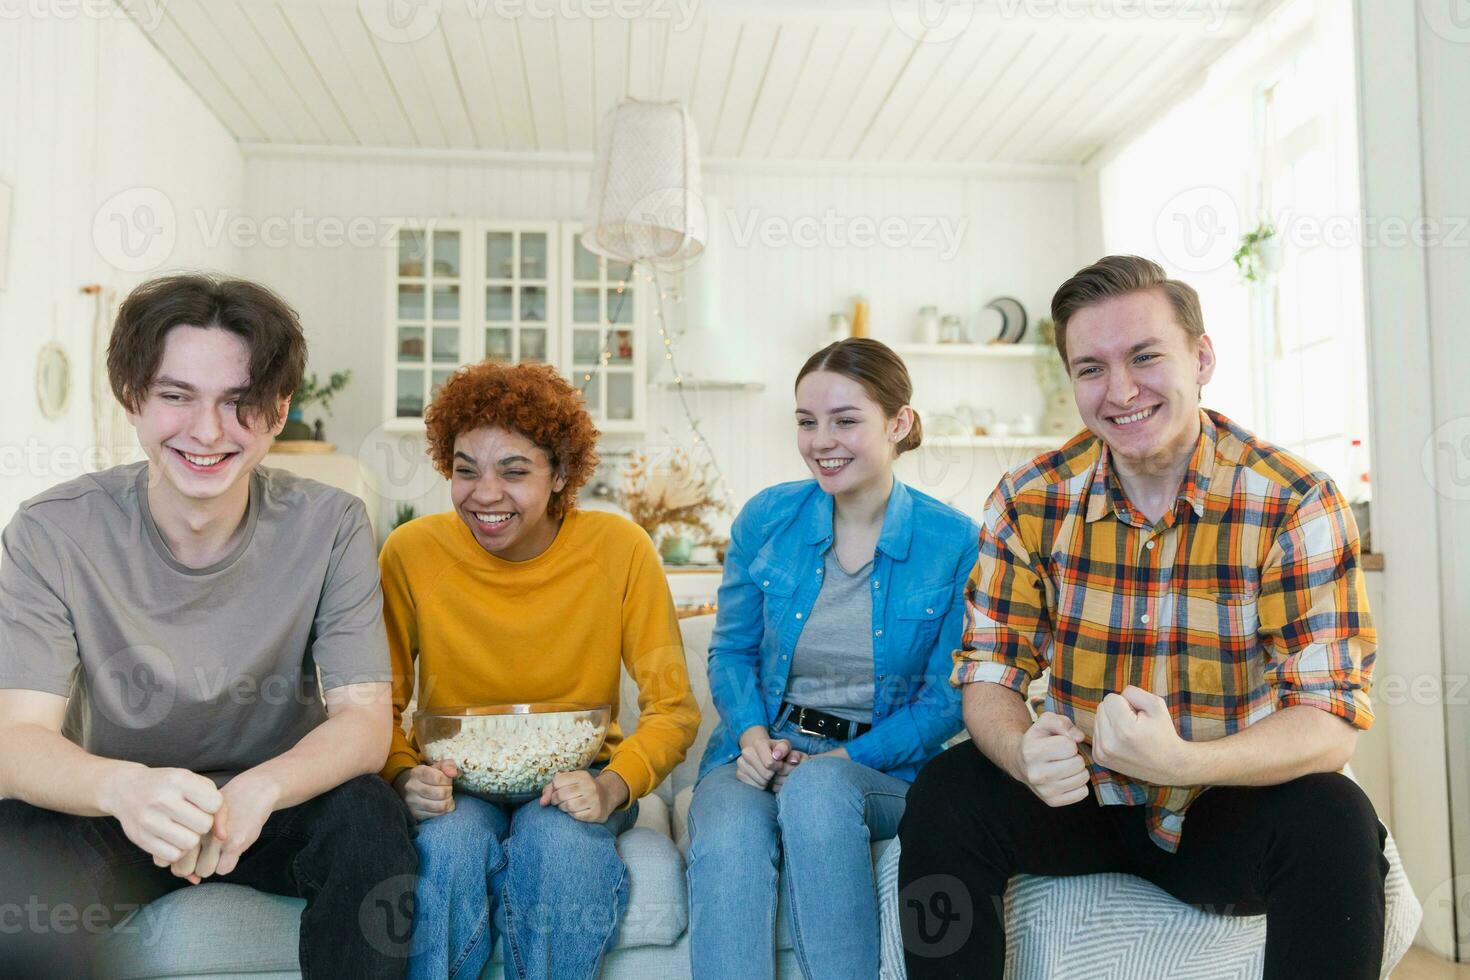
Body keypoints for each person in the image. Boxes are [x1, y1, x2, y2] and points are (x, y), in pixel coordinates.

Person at [898, 255, 1386, 979]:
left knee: (1337, 819)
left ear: (1202, 357)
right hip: (1078, 798)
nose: (1120, 391)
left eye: (1145, 356)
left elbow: (1329, 716)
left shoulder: (1294, 500)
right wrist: (1023, 751)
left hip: (1224, 802)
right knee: (948, 792)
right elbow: (989, 673)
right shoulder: (1030, 499)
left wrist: (1187, 762)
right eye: (1091, 368)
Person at [0, 274, 416, 978]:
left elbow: (365, 723)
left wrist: (262, 789)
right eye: (176, 395)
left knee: (368, 820)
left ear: (279, 411)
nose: (207, 431)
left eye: (239, 401)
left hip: (274, 806)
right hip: (120, 807)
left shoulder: (332, 523)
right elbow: (17, 739)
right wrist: (124, 789)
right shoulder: (51, 531)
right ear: (133, 398)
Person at [381, 361, 699, 980]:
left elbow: (674, 710)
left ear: (560, 475)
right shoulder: (411, 553)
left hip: (580, 780)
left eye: (515, 471)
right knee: (446, 848)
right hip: (456, 785)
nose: (485, 494)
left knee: (557, 846)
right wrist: (401, 776)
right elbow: (378, 705)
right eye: (465, 470)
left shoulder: (619, 549)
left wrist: (612, 787)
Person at [687, 338, 979, 979]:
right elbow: (731, 650)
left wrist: (841, 761)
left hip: (882, 771)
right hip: (762, 749)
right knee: (731, 832)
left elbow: (948, 697)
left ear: (898, 423)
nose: (822, 440)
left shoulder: (954, 542)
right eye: (806, 421)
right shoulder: (767, 518)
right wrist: (753, 735)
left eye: (845, 420)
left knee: (820, 790)